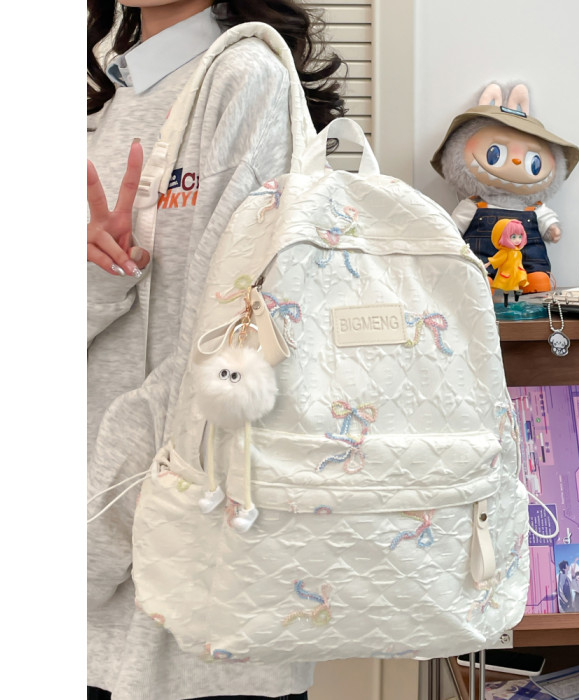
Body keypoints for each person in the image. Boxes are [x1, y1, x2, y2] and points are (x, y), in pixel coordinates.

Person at [87, 2, 345, 699]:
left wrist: (90, 549)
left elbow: (228, 351)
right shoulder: (121, 91)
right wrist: (96, 275)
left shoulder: (243, 77)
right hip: (104, 580)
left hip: (190, 585)